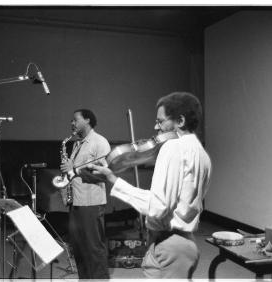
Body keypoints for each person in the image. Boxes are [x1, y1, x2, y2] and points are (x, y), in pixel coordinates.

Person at [87, 92, 212, 278]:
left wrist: (112, 179)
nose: (156, 127)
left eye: (160, 121)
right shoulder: (202, 153)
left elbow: (158, 207)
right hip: (186, 245)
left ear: (180, 120)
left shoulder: (172, 147)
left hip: (169, 245)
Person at [60, 109, 111, 279]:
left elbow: (104, 174)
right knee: (79, 249)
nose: (72, 123)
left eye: (75, 120)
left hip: (91, 203)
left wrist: (73, 170)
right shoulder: (76, 144)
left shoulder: (100, 142)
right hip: (76, 202)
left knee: (94, 248)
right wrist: (66, 179)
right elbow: (72, 173)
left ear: (87, 120)